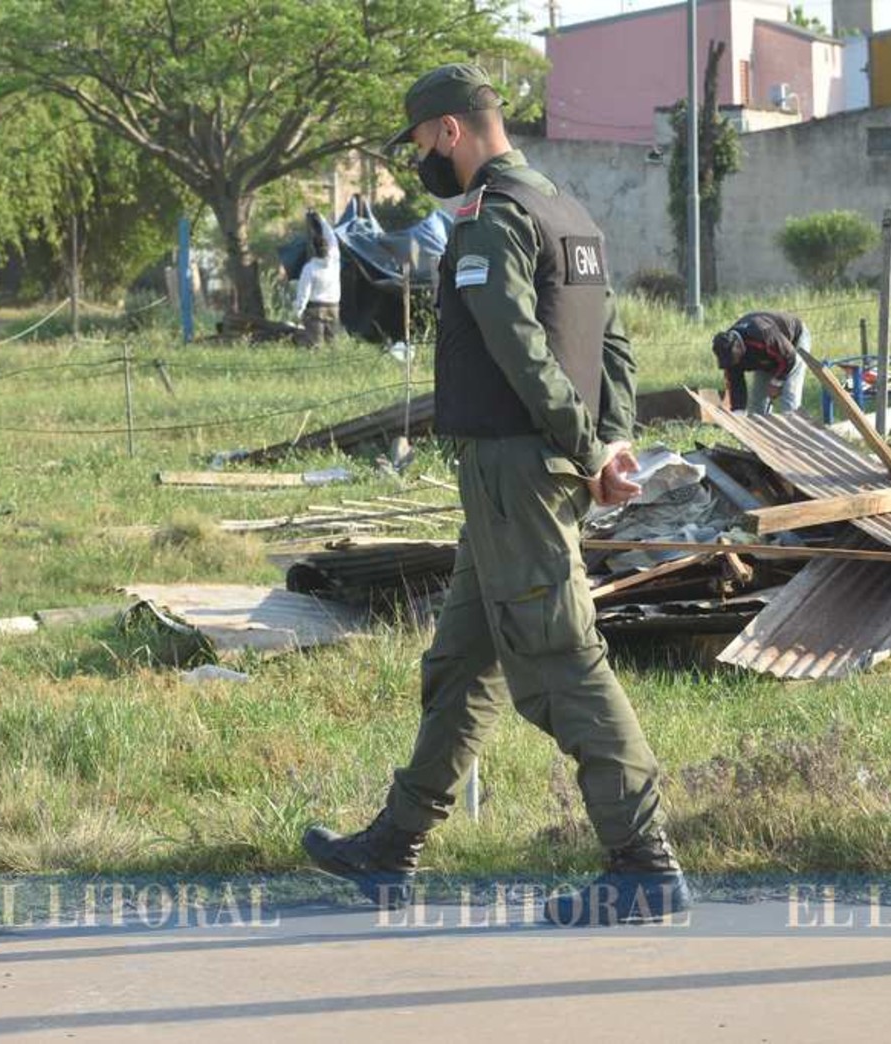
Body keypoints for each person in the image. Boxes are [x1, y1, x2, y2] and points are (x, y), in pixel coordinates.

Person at [301, 63, 689, 926]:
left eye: (420, 145)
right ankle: (391, 847)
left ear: (448, 131)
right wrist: (611, 437)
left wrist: (590, 448)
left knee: (558, 660)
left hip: (516, 470)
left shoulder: (488, 218)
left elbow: (516, 343)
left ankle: (643, 864)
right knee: (461, 665)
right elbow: (611, 344)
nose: (421, 165)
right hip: (526, 474)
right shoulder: (566, 212)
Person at [711, 310, 810, 416]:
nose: (734, 363)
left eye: (735, 359)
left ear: (740, 347)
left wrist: (777, 382)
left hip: (793, 344)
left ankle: (793, 426)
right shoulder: (727, 353)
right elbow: (736, 384)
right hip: (767, 355)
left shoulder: (762, 334)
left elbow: (789, 357)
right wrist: (738, 412)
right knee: (757, 407)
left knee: (789, 401)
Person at [292, 211, 341, 346]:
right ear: (328, 249)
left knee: (314, 345)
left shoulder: (310, 268)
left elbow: (303, 293)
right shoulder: (335, 261)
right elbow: (332, 238)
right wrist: (322, 219)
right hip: (334, 307)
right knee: (332, 345)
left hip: (315, 308)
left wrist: (298, 312)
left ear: (314, 249)